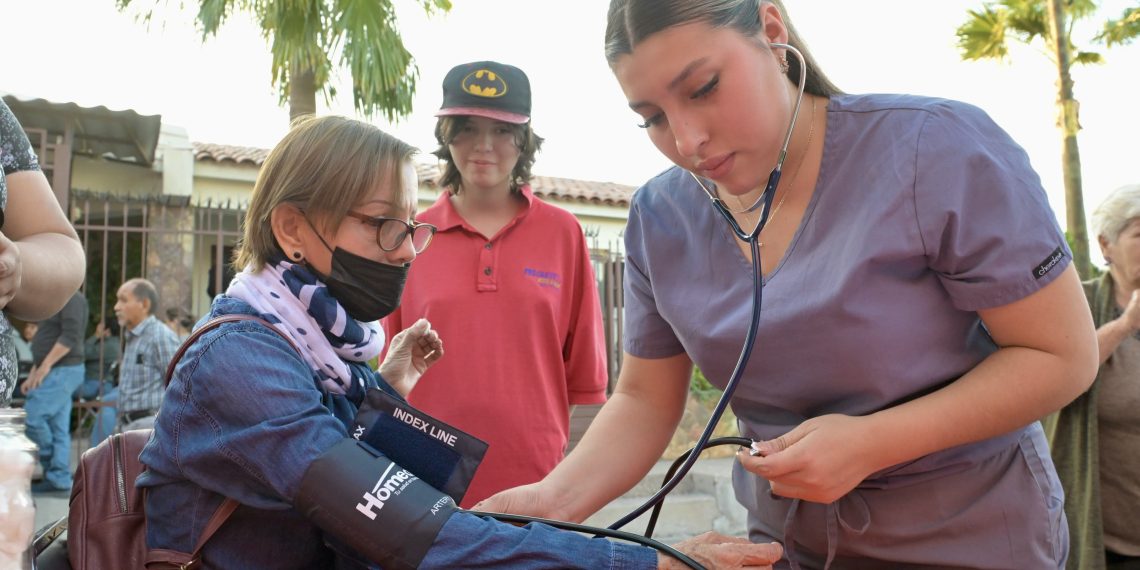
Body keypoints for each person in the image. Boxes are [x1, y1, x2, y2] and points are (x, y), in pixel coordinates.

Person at [476, 1, 1101, 568]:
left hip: (972, 538)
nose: (688, 141)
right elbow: (644, 400)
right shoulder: (658, 218)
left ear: (772, 31)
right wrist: (553, 502)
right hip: (782, 548)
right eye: (652, 119)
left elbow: (1061, 356)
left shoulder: (936, 149)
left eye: (704, 88)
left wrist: (874, 442)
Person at [137, 114, 782, 569]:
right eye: (382, 226)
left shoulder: (323, 353)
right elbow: (402, 531)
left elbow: (376, 493)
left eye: (408, 227)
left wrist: (383, 392)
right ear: (292, 229)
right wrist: (648, 563)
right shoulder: (243, 362)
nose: (403, 252)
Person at [381, 60, 609, 508]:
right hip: (424, 479)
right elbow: (393, 373)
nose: (484, 145)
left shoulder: (563, 233)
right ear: (447, 136)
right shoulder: (413, 238)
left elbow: (582, 376)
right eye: (467, 128)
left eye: (502, 130)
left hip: (535, 483)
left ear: (524, 139)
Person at [1044, 184, 1140, 570]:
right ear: (1105, 245)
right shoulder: (1078, 306)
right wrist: (1125, 324)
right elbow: (1057, 377)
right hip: (1112, 545)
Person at [0, 99, 87, 407]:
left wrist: (16, 264)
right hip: (52, 371)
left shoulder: (76, 304)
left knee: (49, 425)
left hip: (61, 371)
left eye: (123, 299)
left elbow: (69, 337)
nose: (117, 306)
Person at [21, 290, 87, 494]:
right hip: (56, 370)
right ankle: (59, 479)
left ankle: (53, 467)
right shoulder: (55, 299)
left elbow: (70, 336)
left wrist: (45, 366)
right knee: (58, 428)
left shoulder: (72, 298)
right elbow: (47, 339)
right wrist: (35, 371)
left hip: (63, 369)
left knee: (32, 417)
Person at [106, 277, 179, 431]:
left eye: (123, 300)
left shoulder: (160, 336)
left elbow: (180, 385)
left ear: (144, 304)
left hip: (149, 426)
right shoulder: (132, 336)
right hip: (128, 425)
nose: (116, 307)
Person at [78, 315, 121, 446]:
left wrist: (95, 336)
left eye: (100, 325)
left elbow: (82, 352)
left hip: (95, 384)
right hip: (98, 383)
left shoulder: (109, 345)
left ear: (106, 330)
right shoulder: (111, 343)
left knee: (63, 389)